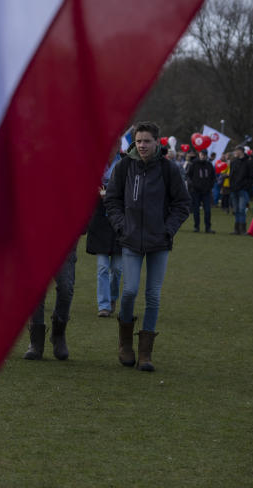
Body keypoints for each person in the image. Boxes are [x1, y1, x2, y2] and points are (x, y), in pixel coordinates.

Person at [105, 122, 190, 372]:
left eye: (147, 141)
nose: (142, 145)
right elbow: (111, 200)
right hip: (130, 240)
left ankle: (145, 352)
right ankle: (125, 343)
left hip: (158, 242)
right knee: (129, 291)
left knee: (153, 296)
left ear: (157, 142)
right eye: (139, 141)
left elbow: (183, 203)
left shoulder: (168, 169)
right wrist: (122, 226)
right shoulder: (123, 167)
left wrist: (167, 229)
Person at [23, 248, 76, 360]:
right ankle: (36, 342)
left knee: (66, 288)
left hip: (65, 244)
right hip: (38, 242)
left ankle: (58, 334)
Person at [86, 153, 123, 317]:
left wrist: (112, 195)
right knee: (102, 267)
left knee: (116, 269)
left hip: (119, 220)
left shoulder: (124, 162)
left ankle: (112, 297)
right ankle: (104, 305)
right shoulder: (94, 162)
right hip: (99, 220)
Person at [188, 149, 217, 233]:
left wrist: (210, 186)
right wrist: (192, 185)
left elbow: (213, 177)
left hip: (206, 192)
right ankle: (196, 227)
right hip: (195, 191)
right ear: (199, 154)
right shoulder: (194, 164)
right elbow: (189, 175)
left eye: (204, 154)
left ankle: (208, 227)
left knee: (207, 210)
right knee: (196, 210)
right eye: (202, 154)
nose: (203, 156)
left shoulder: (209, 165)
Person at [228, 144, 253, 234]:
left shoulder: (248, 162)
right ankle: (237, 229)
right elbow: (231, 175)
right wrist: (231, 186)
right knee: (236, 210)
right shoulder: (233, 162)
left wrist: (245, 186)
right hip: (234, 189)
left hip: (243, 189)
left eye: (236, 150)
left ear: (241, 151)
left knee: (242, 209)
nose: (235, 152)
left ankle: (242, 228)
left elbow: (251, 177)